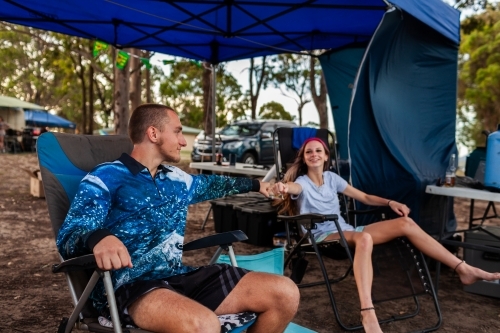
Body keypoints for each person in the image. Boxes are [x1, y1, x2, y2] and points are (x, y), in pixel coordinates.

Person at [57, 104, 300, 333]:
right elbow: (70, 234)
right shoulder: (106, 176)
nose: (183, 141)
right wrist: (100, 238)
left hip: (180, 277)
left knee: (286, 293)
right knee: (205, 325)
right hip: (132, 288)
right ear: (153, 133)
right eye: (178, 132)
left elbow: (215, 184)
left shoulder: (177, 179)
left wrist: (257, 184)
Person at [271, 137, 500, 333]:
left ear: (326, 156)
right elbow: (292, 189)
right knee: (364, 238)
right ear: (304, 157)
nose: (313, 154)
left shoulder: (333, 179)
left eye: (318, 150)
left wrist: (390, 202)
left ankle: (463, 269)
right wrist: (283, 187)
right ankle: (368, 312)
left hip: (347, 230)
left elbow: (366, 198)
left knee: (406, 223)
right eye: (309, 152)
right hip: (322, 236)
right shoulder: (301, 182)